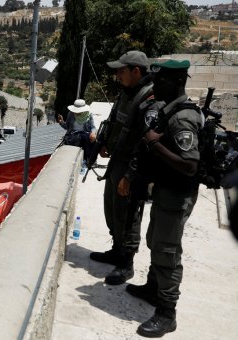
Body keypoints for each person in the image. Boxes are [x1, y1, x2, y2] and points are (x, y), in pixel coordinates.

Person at [126, 59, 203, 338]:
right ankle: (152, 288)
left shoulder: (182, 117)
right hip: (164, 191)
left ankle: (167, 312)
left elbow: (190, 164)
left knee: (167, 252)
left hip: (176, 193)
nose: (155, 85)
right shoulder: (170, 110)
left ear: (177, 82)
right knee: (154, 240)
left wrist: (154, 143)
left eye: (161, 81)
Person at [90, 50, 155, 286]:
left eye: (121, 70)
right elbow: (117, 123)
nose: (117, 75)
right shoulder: (127, 93)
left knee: (128, 213)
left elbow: (146, 141)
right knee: (112, 208)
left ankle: (126, 263)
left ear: (136, 71)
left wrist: (130, 174)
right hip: (117, 160)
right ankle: (116, 250)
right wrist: (106, 143)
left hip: (132, 166)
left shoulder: (149, 99)